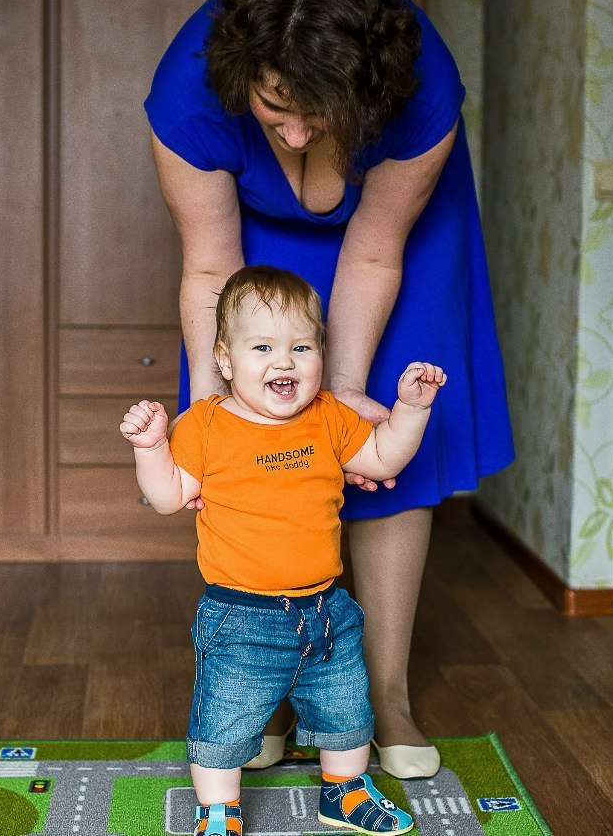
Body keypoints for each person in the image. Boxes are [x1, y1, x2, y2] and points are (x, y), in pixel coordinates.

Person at [144, 0, 515, 778]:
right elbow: (211, 265)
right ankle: (272, 686)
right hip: (248, 249)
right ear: (243, 70)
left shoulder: (420, 88)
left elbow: (376, 252)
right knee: (253, 434)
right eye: (277, 106)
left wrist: (342, 386)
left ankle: (385, 692)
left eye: (323, 111)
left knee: (384, 441)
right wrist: (220, 418)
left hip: (392, 247)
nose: (301, 130)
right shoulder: (189, 92)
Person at [120, 266, 445, 835]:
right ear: (224, 360)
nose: (285, 362)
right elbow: (169, 496)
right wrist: (151, 448)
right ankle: (218, 810)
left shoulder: (328, 417)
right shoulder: (206, 425)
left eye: (302, 346)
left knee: (347, 711)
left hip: (325, 611)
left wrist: (410, 411)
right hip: (240, 616)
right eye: (263, 347)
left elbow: (384, 460)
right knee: (224, 722)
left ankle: (343, 793)